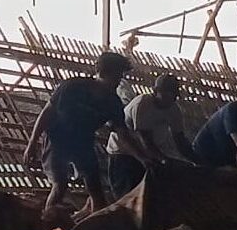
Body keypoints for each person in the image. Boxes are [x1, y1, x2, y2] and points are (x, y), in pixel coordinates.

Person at [22, 52, 153, 220]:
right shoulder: (73, 87)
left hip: (83, 144)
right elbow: (47, 113)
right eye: (117, 75)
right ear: (104, 72)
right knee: (60, 185)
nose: (119, 80)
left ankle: (95, 222)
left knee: (96, 189)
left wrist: (142, 158)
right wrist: (32, 143)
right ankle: (47, 222)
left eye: (121, 76)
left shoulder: (112, 103)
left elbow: (122, 135)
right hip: (57, 140)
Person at [105, 74, 198, 198]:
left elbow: (180, 140)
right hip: (123, 154)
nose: (170, 100)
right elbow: (146, 141)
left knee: (149, 198)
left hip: (147, 156)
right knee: (128, 197)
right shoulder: (143, 104)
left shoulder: (174, 110)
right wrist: (164, 160)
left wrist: (196, 160)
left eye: (173, 96)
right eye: (166, 95)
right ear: (155, 91)